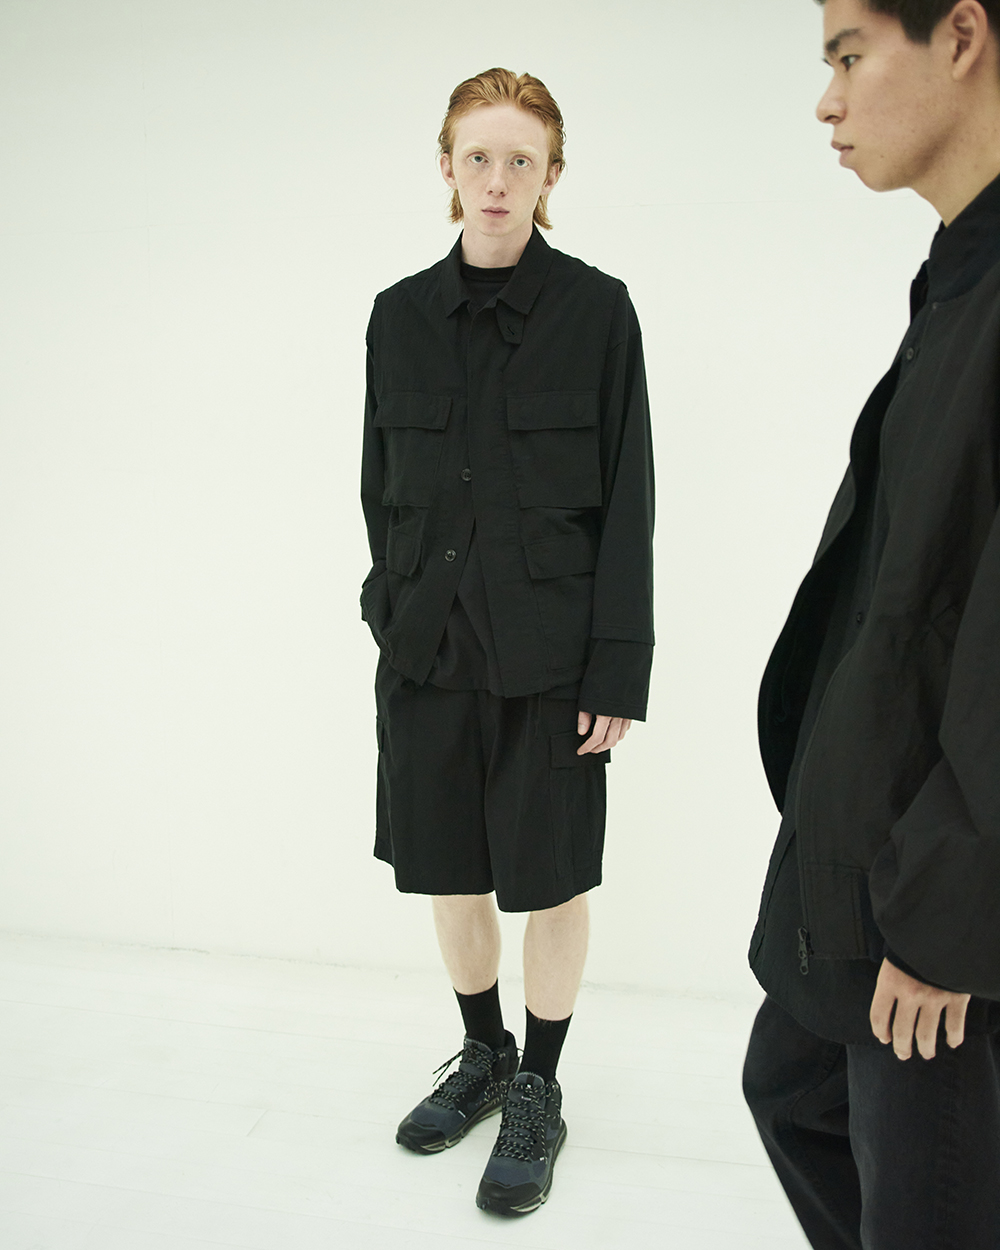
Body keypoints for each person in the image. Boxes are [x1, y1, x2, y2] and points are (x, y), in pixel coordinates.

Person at [359, 68, 654, 1217]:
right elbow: (378, 481)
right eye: (477, 157)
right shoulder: (396, 316)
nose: (496, 180)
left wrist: (617, 663)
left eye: (519, 160)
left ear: (551, 174)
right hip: (427, 649)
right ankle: (482, 1052)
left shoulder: (598, 311)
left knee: (551, 875)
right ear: (446, 166)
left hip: (553, 659)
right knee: (449, 863)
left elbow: (629, 495)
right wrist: (386, 609)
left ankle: (539, 1084)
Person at [743, 2, 1000, 1247]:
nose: (827, 100)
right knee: (790, 1089)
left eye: (849, 54)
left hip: (937, 897)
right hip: (866, 849)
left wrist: (950, 915)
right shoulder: (960, 273)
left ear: (960, 36)